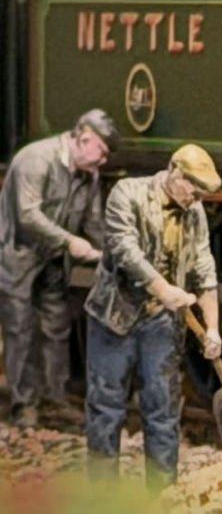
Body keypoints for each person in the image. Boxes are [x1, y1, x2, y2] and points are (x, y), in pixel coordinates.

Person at [84, 144, 222, 492]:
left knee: (163, 412)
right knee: (106, 409)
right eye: (193, 186)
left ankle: (163, 496)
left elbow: (204, 269)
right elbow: (124, 250)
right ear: (175, 173)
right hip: (114, 318)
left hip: (160, 324)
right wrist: (164, 290)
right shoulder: (127, 194)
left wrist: (213, 329)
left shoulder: (195, 212)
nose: (197, 196)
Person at [0, 109, 119, 429]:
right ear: (84, 139)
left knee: (57, 326)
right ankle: (24, 404)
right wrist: (70, 242)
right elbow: (28, 215)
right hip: (18, 256)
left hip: (53, 260)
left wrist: (113, 256)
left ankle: (55, 398)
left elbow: (94, 222)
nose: (103, 161)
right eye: (102, 152)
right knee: (20, 329)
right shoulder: (35, 160)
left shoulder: (88, 174)